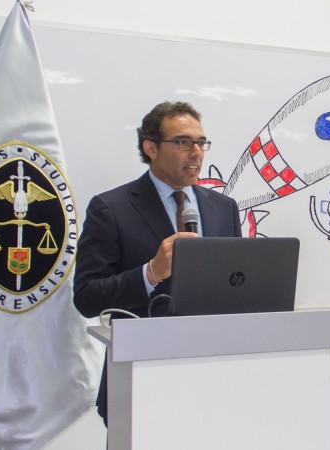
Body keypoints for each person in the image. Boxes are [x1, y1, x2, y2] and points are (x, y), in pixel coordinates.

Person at [73, 101, 242, 426]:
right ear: (151, 148)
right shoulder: (111, 208)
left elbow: (235, 288)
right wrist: (150, 273)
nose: (196, 153)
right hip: (140, 382)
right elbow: (87, 297)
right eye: (183, 142)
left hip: (215, 381)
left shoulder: (224, 208)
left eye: (201, 142)